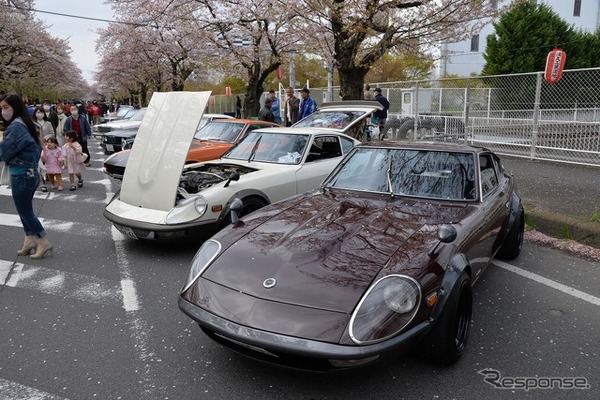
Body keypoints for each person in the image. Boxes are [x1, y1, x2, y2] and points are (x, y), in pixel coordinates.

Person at [0, 93, 53, 259]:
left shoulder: (15, 127)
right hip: (30, 173)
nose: (3, 111)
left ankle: (43, 241)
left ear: (15, 107)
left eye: (6, 107)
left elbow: (4, 152)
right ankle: (28, 240)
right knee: (25, 210)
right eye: (1, 108)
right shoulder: (27, 124)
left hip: (21, 175)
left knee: (25, 212)